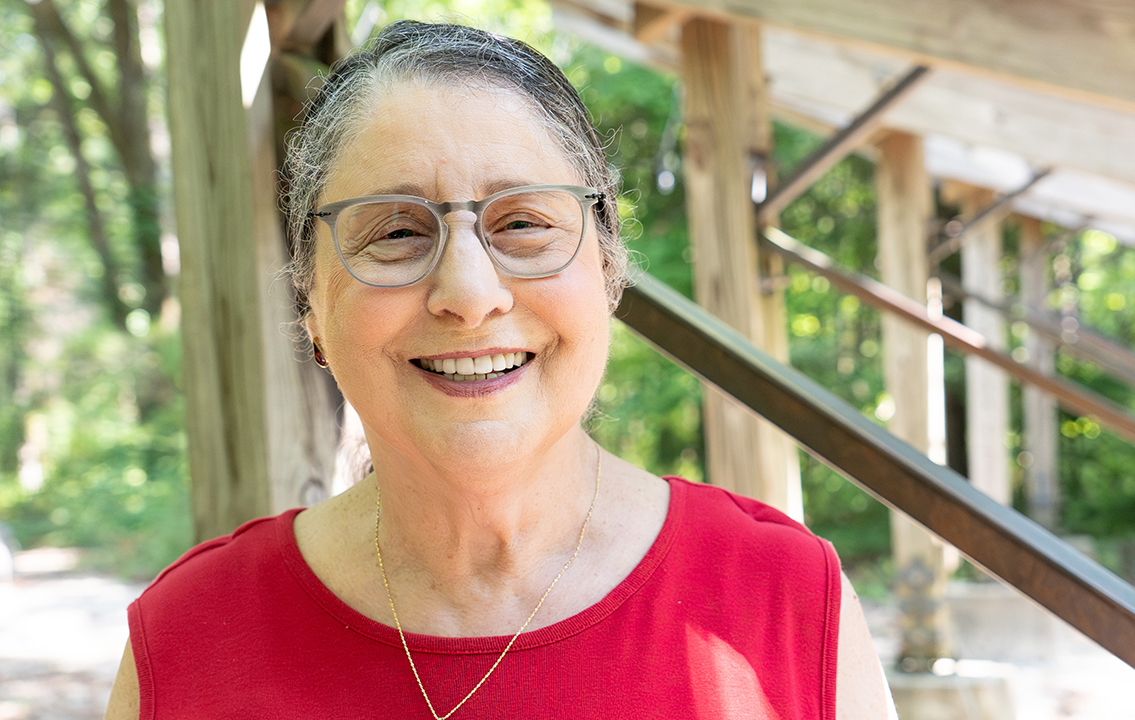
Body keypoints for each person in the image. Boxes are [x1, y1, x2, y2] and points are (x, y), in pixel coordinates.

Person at [105, 21, 894, 719]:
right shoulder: (186, 640)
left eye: (522, 222)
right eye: (396, 233)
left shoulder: (786, 602)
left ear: (608, 267)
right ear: (310, 303)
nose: (469, 295)